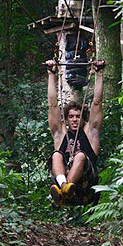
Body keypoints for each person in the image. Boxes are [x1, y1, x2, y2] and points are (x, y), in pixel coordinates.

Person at [45, 59, 105, 206]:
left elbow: (97, 103)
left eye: (78, 117)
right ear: (66, 119)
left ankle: (66, 188)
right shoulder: (61, 135)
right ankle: (63, 186)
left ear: (83, 119)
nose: (74, 120)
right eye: (71, 117)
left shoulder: (90, 133)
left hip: (85, 186)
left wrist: (99, 74)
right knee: (56, 154)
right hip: (65, 182)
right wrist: (51, 74)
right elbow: (52, 105)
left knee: (80, 156)